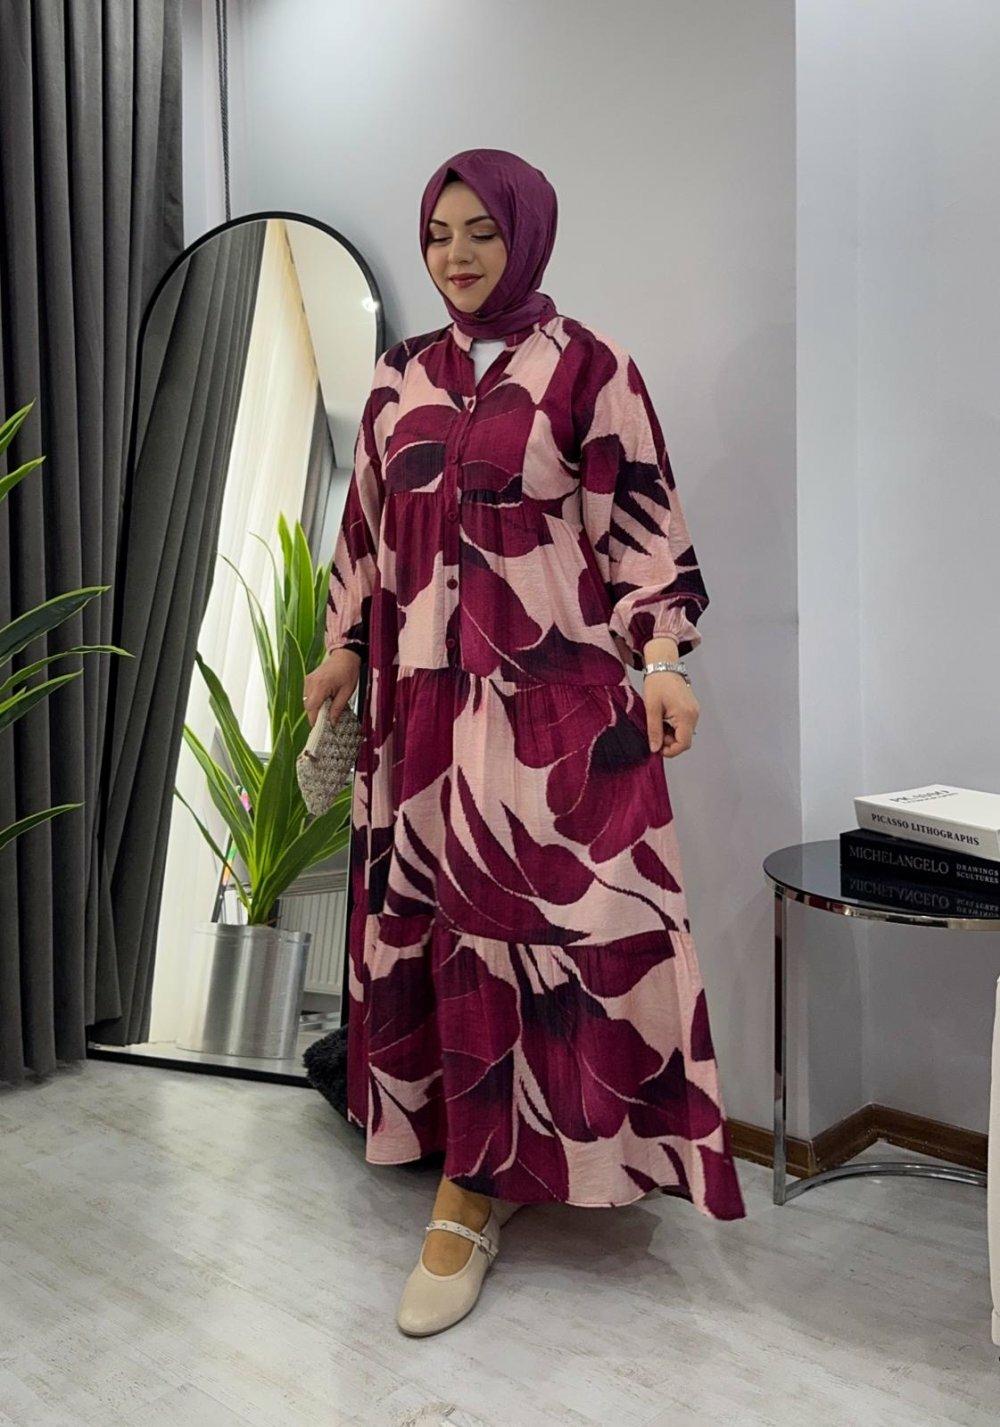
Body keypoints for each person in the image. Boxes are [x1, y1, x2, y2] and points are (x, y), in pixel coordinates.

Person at [303, 146, 746, 1337]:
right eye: (438, 232)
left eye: (481, 232)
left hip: (551, 715)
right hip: (419, 714)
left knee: (563, 937)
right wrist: (342, 646)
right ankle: (465, 1165)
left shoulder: (591, 370)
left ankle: (493, 1187)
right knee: (440, 932)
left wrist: (662, 661)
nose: (455, 254)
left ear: (527, 234)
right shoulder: (398, 377)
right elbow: (365, 533)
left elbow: (642, 537)